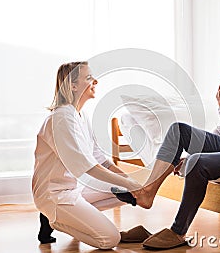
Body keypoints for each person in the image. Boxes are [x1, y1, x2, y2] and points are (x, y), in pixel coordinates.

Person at [113, 45, 220, 249]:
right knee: (178, 130)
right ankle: (148, 192)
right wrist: (198, 146)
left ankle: (178, 232)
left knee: (197, 162)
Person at [32, 61, 143, 249]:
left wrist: (129, 180)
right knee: (110, 239)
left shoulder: (81, 116)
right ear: (73, 85)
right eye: (89, 77)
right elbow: (88, 167)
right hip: (55, 195)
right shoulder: (61, 118)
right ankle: (54, 219)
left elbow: (99, 158)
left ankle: (71, 218)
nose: (96, 81)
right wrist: (131, 183)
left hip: (74, 189)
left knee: (128, 193)